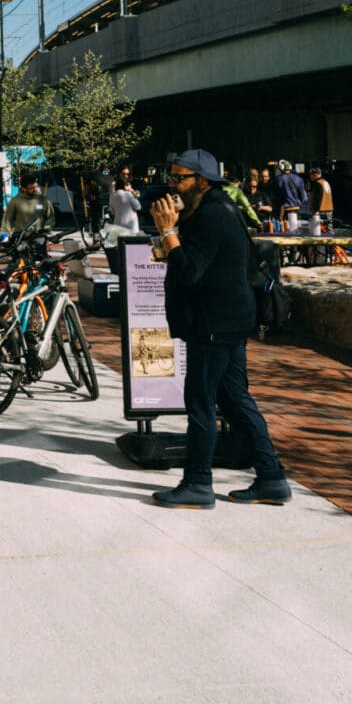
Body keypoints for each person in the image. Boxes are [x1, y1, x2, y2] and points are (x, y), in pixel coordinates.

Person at [147, 149, 289, 509]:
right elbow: (206, 263)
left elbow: (190, 272)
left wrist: (167, 232)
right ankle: (272, 478)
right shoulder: (219, 209)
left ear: (203, 181)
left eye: (180, 178)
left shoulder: (211, 215)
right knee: (234, 399)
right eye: (172, 176)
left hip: (213, 323)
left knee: (200, 402)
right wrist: (170, 240)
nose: (173, 184)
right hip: (230, 319)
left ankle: (197, 482)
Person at [1, 171, 54, 236]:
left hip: (39, 238)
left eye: (36, 186)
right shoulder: (15, 201)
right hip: (21, 239)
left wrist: (46, 230)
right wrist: (5, 236)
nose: (35, 189)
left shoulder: (43, 200)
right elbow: (7, 221)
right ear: (24, 189)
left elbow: (51, 217)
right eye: (31, 188)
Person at [107, 173, 143, 242]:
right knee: (131, 247)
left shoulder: (112, 196)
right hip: (130, 227)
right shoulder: (128, 194)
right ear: (123, 186)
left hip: (118, 225)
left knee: (121, 247)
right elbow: (138, 207)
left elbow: (112, 211)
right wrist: (135, 196)